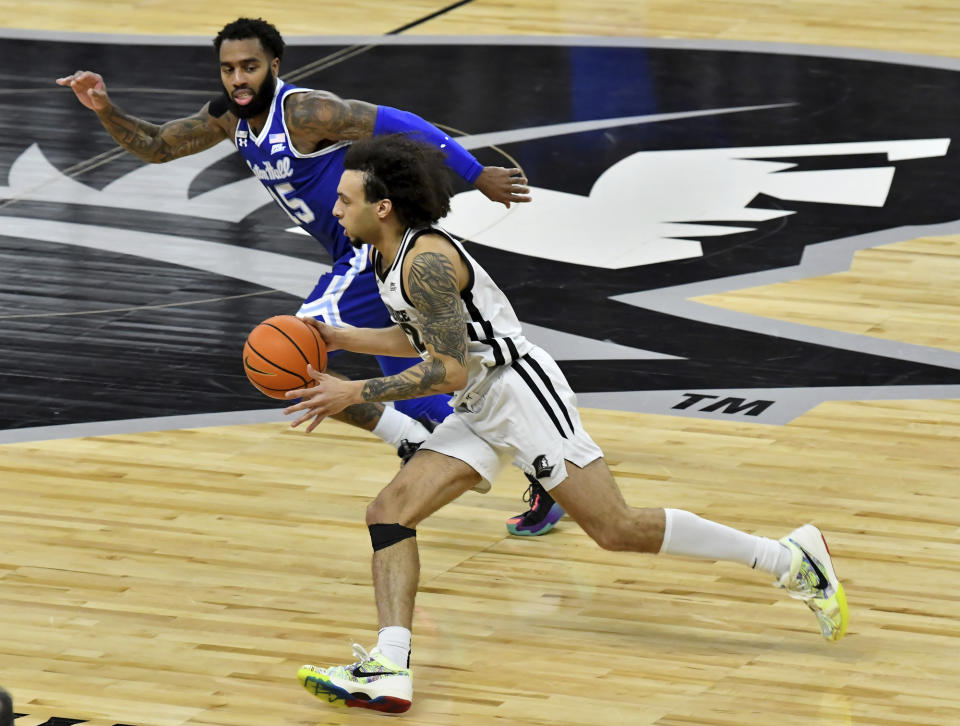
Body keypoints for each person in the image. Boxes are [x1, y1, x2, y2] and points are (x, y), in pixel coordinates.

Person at [283, 134, 849, 714]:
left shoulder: (425, 261)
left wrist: (356, 389)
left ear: (383, 207)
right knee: (389, 513)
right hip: (479, 403)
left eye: (345, 199)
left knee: (616, 529)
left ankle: (787, 558)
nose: (333, 209)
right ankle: (389, 667)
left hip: (518, 393)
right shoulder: (383, 252)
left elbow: (448, 368)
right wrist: (342, 338)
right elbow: (427, 334)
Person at [55, 17, 559, 534]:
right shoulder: (229, 117)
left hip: (368, 251)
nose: (238, 79)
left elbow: (401, 121)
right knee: (414, 375)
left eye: (249, 67)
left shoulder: (304, 112)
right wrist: (103, 107)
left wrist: (476, 174)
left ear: (273, 65)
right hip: (358, 253)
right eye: (228, 69)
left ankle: (410, 441)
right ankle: (540, 468)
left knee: (286, 354)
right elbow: (159, 145)